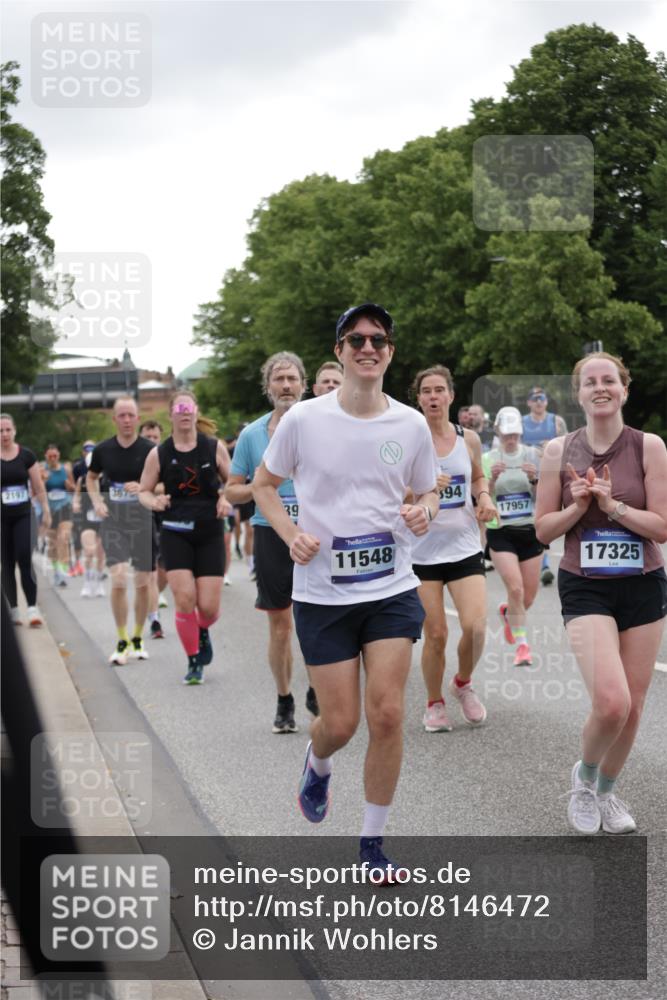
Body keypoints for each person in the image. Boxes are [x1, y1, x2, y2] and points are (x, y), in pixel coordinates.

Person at [254, 303, 438, 880]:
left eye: (378, 339)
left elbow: (429, 491)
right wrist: (289, 533)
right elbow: (263, 485)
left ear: (389, 351)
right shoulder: (304, 420)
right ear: (338, 351)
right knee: (340, 723)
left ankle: (372, 844)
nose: (367, 347)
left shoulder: (409, 424)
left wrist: (423, 512)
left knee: (386, 713)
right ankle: (319, 759)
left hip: (391, 587)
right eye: (355, 338)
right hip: (323, 594)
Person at [535, 352, 667, 835]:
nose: (600, 387)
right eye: (589, 381)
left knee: (633, 704)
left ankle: (607, 793)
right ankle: (584, 779)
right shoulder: (557, 452)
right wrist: (578, 507)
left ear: (624, 389)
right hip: (585, 585)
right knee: (611, 702)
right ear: (579, 394)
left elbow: (661, 526)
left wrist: (613, 507)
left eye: (608, 379)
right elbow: (543, 530)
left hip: (643, 583)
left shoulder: (649, 447)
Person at [226, 351, 318, 732]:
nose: (285, 386)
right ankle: (284, 698)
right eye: (278, 379)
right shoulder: (251, 436)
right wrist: (259, 489)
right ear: (268, 388)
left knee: (317, 619)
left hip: (315, 532)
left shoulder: (322, 425)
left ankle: (317, 686)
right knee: (280, 624)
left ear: (303, 385)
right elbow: (232, 491)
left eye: (292, 379)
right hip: (270, 533)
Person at [411, 367, 497, 732]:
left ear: (450, 396)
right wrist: (423, 487)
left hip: (463, 545)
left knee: (476, 627)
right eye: (426, 391)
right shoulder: (409, 442)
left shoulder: (469, 439)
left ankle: (462, 682)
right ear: (418, 399)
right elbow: (388, 491)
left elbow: (478, 475)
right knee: (436, 634)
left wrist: (484, 496)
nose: (433, 397)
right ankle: (434, 703)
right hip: (421, 551)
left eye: (439, 390)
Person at [140, 391, 231, 684]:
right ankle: (193, 660)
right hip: (175, 531)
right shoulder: (159, 453)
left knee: (208, 607)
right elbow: (144, 490)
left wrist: (226, 499)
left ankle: (201, 629)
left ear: (195, 411)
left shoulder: (213, 448)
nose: (183, 412)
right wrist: (152, 501)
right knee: (184, 598)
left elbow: (235, 482)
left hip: (209, 531)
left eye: (188, 407)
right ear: (171, 415)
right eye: (178, 408)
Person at [87, 397, 156, 665]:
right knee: (117, 580)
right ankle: (121, 638)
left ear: (138, 418)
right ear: (114, 419)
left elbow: (163, 485)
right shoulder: (103, 450)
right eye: (122, 415)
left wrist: (144, 489)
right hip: (114, 520)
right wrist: (96, 501)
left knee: (141, 583)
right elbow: (91, 479)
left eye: (131, 415)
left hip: (142, 519)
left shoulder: (151, 449)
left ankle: (138, 637)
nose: (127, 420)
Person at [482, 407, 543, 666]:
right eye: (506, 434)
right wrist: (492, 481)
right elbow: (482, 497)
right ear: (498, 432)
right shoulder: (488, 459)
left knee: (526, 598)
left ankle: (509, 614)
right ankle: (522, 646)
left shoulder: (533, 455)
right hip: (501, 531)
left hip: (530, 531)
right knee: (515, 589)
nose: (511, 439)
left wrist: (535, 479)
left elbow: (547, 497)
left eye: (515, 434)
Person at [1, 414, 50, 626]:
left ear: (14, 431)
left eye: (7, 430)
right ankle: (13, 609)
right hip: (2, 518)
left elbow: (38, 486)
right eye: (0, 431)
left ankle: (32, 608)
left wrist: (46, 511)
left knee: (24, 556)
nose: (4, 434)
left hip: (23, 515)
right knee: (7, 563)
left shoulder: (27, 455)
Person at [522, 387, 568, 585]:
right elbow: (511, 446)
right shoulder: (522, 423)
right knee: (534, 521)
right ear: (529, 403)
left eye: (542, 398)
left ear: (547, 401)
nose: (539, 402)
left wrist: (553, 446)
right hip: (528, 478)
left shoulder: (556, 422)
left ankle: (543, 563)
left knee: (546, 520)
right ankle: (543, 565)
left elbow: (569, 446)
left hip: (551, 478)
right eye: (535, 399)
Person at [139, 420, 168, 635]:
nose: (151, 441)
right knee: (148, 573)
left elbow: (170, 485)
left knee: (163, 572)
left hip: (166, 517)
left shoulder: (166, 455)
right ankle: (154, 619)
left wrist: (149, 489)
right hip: (141, 518)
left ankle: (154, 597)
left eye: (154, 437)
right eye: (147, 437)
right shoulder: (134, 458)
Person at [72, 441, 106, 598]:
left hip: (104, 521)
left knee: (100, 554)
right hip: (87, 519)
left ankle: (99, 583)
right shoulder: (83, 480)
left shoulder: (107, 480)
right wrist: (76, 504)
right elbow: (77, 495)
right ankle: (87, 583)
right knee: (89, 551)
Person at [41, 444, 75, 586]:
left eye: (55, 456)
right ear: (46, 457)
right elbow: (37, 492)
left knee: (63, 539)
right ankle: (56, 571)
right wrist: (43, 481)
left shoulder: (65, 470)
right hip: (50, 510)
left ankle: (62, 573)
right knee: (53, 544)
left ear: (59, 456)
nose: (53, 459)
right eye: (50, 456)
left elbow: (74, 488)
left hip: (65, 507)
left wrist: (69, 486)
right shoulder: (42, 471)